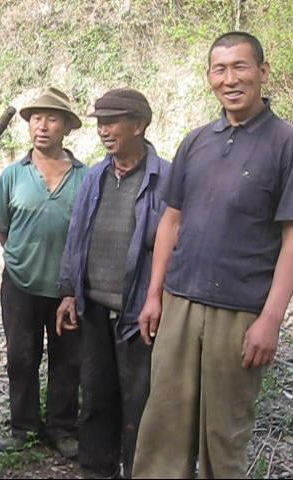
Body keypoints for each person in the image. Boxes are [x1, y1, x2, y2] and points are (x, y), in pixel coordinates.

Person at [133, 31, 293, 478]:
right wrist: (154, 294)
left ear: (263, 73)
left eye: (240, 67)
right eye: (219, 69)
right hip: (181, 302)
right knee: (163, 426)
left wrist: (270, 320)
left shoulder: (286, 143)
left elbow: (292, 241)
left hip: (240, 312)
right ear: (209, 78)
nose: (230, 79)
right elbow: (171, 221)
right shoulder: (197, 141)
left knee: (224, 436)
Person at [56, 88, 170, 478]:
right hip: (94, 308)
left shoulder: (165, 178)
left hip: (140, 312)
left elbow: (174, 247)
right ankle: (97, 470)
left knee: (139, 400)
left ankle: (138, 469)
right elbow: (77, 236)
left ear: (138, 125)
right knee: (96, 396)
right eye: (100, 123)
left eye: (112, 122)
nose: (103, 131)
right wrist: (69, 291)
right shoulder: (94, 176)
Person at [0, 87, 86, 458]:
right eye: (35, 119)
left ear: (66, 127)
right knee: (21, 356)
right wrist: (24, 260)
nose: (41, 127)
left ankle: (63, 428)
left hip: (68, 290)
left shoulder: (86, 177)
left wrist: (72, 285)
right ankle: (23, 428)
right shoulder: (13, 175)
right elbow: (4, 229)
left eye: (51, 119)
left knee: (68, 360)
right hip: (20, 285)